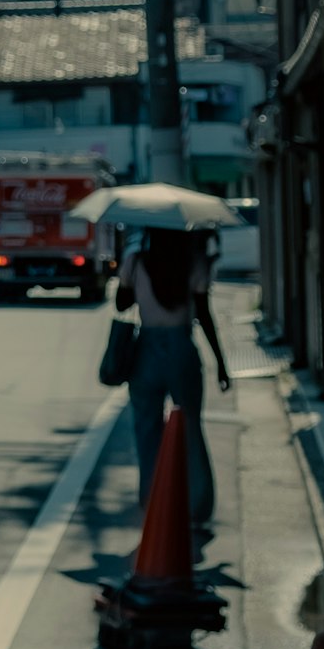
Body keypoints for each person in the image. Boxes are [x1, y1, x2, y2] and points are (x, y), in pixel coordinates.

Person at [114, 222, 229, 527]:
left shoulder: (136, 261)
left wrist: (131, 281)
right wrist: (221, 362)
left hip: (146, 349)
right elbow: (204, 314)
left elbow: (121, 303)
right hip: (182, 347)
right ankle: (196, 506)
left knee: (146, 427)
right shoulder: (194, 263)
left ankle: (151, 500)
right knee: (191, 425)